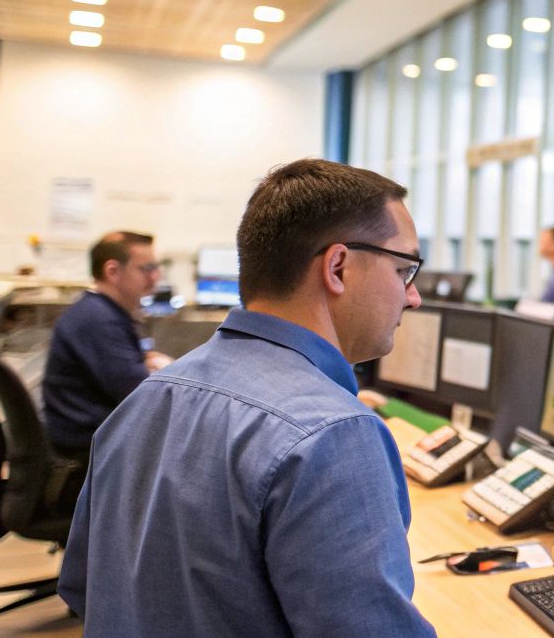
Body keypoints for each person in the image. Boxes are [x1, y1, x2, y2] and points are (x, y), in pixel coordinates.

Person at [61, 160, 436, 637]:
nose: (413, 297)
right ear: (337, 267)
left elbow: (85, 588)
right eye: (404, 269)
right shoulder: (334, 434)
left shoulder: (145, 400)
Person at [41, 231, 170, 457]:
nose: (155, 278)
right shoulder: (99, 320)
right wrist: (169, 371)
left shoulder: (100, 311)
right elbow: (142, 396)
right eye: (146, 269)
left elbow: (131, 372)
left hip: (90, 434)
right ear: (112, 271)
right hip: (90, 447)